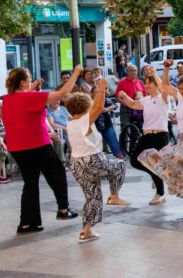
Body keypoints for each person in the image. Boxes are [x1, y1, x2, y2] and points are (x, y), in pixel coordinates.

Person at [3, 66, 80, 234]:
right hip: (36, 144)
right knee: (58, 173)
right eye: (29, 79)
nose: (31, 82)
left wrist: (33, 86)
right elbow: (62, 93)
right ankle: (63, 209)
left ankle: (27, 223)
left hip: (17, 147)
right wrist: (76, 73)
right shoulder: (30, 97)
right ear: (23, 83)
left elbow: (22, 98)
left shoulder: (7, 99)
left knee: (30, 183)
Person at [136, 57, 183, 218]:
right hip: (182, 138)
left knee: (170, 159)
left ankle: (165, 176)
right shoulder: (180, 98)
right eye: (180, 88)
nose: (181, 91)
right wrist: (166, 68)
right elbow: (165, 86)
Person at [65, 81, 130, 243]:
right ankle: (114, 196)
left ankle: (86, 231)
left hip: (76, 164)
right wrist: (101, 88)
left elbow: (97, 107)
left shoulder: (71, 123)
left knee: (92, 197)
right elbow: (99, 107)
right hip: (91, 160)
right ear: (86, 106)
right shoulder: (84, 121)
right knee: (120, 165)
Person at [118, 68, 171, 205]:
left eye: (149, 83)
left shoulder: (164, 98)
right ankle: (156, 176)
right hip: (146, 134)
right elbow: (132, 104)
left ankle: (160, 193)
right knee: (135, 160)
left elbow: (163, 88)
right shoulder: (146, 99)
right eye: (145, 83)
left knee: (157, 164)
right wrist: (124, 96)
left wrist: (154, 74)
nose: (146, 86)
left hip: (160, 135)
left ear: (155, 85)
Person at [90, 84, 125, 159]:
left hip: (106, 124)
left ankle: (118, 154)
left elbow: (114, 105)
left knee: (112, 136)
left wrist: (107, 109)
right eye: (95, 92)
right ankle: (96, 157)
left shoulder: (104, 99)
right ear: (92, 93)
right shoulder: (89, 101)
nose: (97, 94)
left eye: (99, 92)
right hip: (94, 126)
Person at [114, 65, 147, 140]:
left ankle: (134, 149)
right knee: (125, 128)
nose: (134, 72)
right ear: (127, 72)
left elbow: (145, 96)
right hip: (126, 109)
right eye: (131, 70)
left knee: (137, 130)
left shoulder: (140, 83)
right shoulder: (122, 82)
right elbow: (117, 96)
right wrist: (123, 102)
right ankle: (123, 148)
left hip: (138, 110)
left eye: (135, 70)